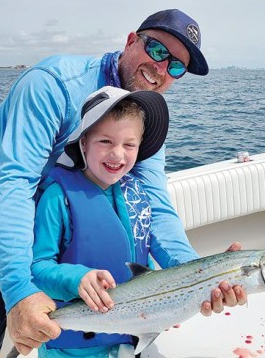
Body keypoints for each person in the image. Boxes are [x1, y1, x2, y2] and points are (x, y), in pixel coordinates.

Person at [0, 9, 247, 358]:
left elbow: (154, 204)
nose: (162, 69)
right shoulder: (52, 83)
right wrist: (19, 290)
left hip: (55, 235)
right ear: (131, 41)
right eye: (158, 51)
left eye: (176, 66)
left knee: (56, 330)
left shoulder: (144, 117)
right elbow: (15, 183)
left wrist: (200, 275)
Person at [33, 86, 182, 356]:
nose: (117, 154)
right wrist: (76, 278)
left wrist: (214, 273)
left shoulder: (137, 193)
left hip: (134, 338)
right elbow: (38, 268)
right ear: (83, 143)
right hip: (73, 349)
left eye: (129, 144)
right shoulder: (58, 198)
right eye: (105, 142)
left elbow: (159, 254)